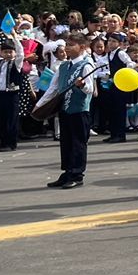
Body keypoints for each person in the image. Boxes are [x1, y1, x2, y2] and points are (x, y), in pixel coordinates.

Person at [39, 31, 96, 189]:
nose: (67, 48)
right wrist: (40, 106)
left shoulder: (86, 65)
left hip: (79, 110)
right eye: (67, 45)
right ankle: (67, 171)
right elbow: (53, 88)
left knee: (78, 143)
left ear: (82, 47)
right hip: (65, 110)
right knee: (66, 142)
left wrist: (82, 85)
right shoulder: (63, 66)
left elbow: (91, 89)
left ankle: (77, 174)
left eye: (71, 45)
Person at [0, 34, 25, 151]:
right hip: (1, 94)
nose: (8, 54)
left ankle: (11, 143)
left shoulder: (16, 63)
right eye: (5, 52)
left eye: (10, 52)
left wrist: (15, 38)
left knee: (12, 119)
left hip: (12, 94)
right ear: (1, 52)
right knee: (2, 119)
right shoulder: (0, 62)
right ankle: (3, 142)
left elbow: (21, 53)